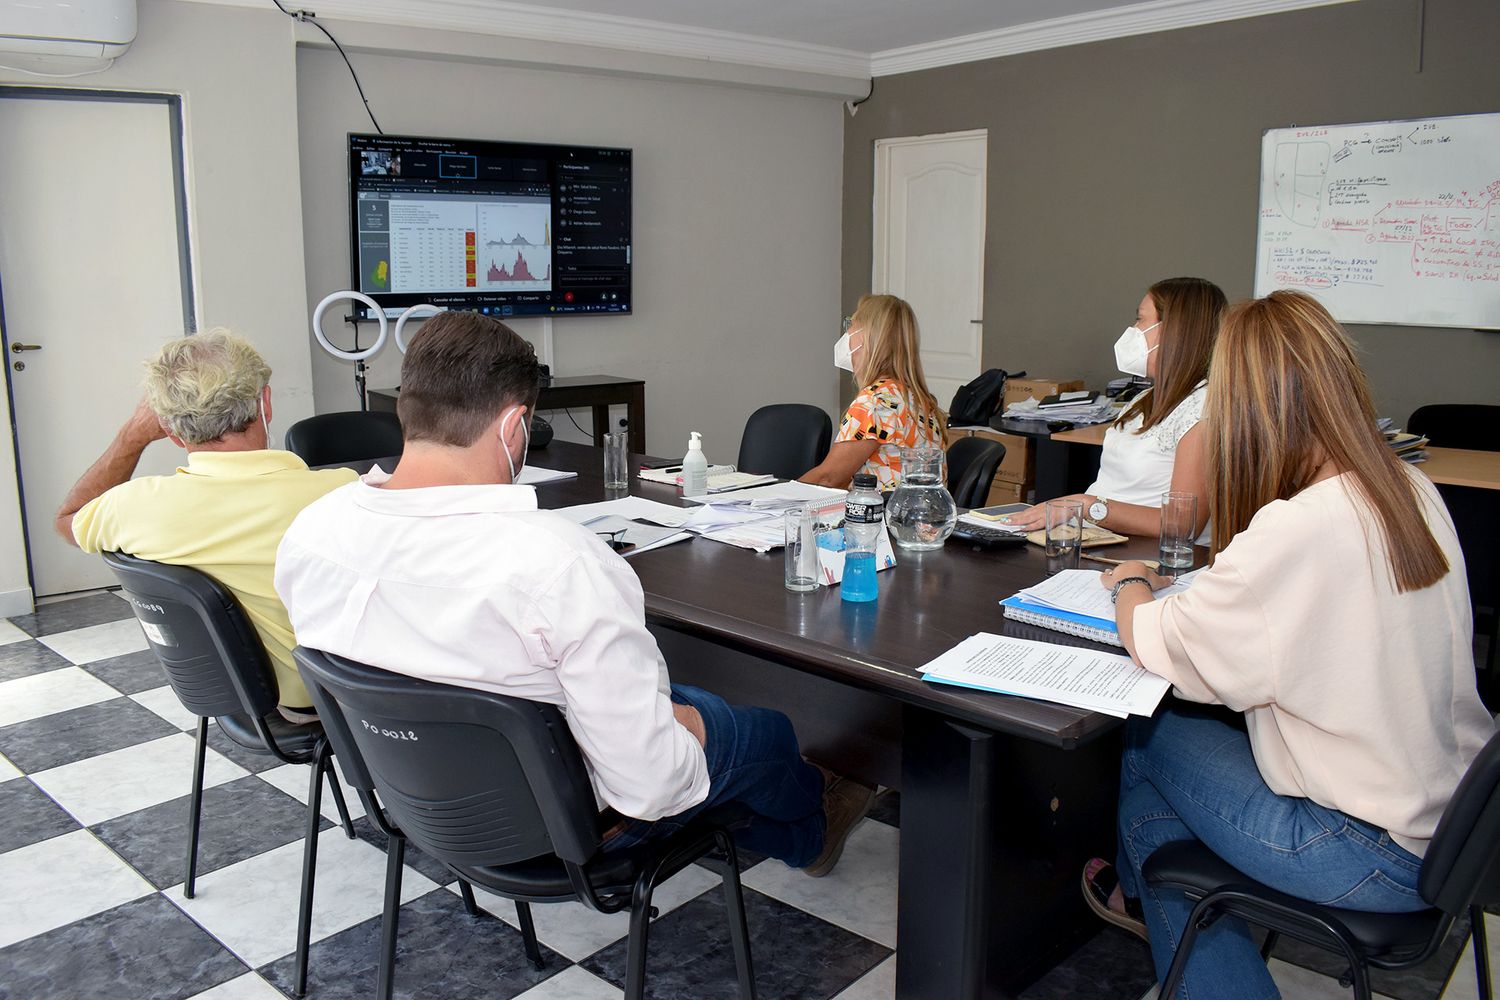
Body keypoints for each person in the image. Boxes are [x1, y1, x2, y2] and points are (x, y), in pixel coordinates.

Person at [274, 312, 874, 874]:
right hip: (568, 827)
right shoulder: (555, 563)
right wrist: (690, 729)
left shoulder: (311, 532)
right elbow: (651, 786)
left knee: (696, 711)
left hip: (419, 803)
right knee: (760, 732)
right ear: (515, 427)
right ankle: (809, 835)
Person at [1080, 291, 1494, 999]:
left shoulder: (1300, 528)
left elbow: (1160, 644)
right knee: (1152, 815)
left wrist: (1127, 583)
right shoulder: (1409, 487)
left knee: (1147, 740)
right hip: (1455, 830)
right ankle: (1145, 905)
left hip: (1364, 851)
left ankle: (1149, 910)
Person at [58, 329, 358, 717]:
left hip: (240, 694)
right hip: (335, 700)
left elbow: (68, 519)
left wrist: (132, 436)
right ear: (264, 403)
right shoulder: (340, 494)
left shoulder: (134, 507)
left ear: (167, 429)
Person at [1003, 277, 1226, 535]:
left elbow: (1182, 525)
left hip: (1146, 555)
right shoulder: (1144, 398)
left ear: (1174, 331)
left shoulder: (1201, 409)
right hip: (1098, 537)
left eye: (1140, 319)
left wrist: (1087, 506)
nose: (1133, 329)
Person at [801, 294, 947, 490]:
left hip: (882, 516)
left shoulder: (876, 401)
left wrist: (776, 498)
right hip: (914, 513)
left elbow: (828, 479)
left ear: (867, 337)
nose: (847, 335)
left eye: (851, 325)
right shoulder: (916, 398)